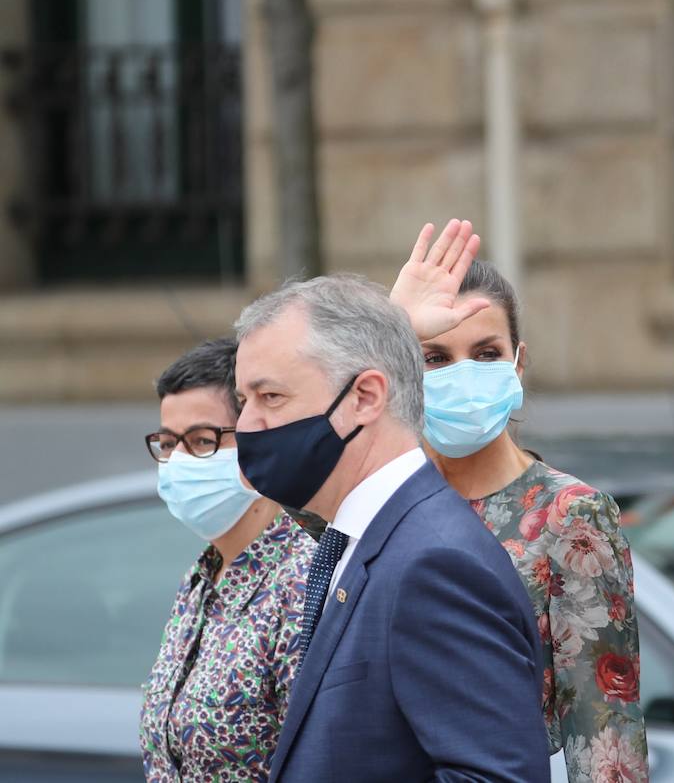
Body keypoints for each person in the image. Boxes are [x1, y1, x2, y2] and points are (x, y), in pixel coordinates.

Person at [232, 274, 549, 783]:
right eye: (243, 400)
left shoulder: (434, 564)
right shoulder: (359, 540)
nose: (246, 425)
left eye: (269, 397)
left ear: (365, 398)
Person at [389, 222, 650, 782]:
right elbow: (289, 478)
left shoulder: (569, 516)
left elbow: (604, 733)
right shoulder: (384, 501)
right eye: (434, 358)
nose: (463, 374)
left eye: (486, 354)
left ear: (518, 363)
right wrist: (384, 336)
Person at [139, 338, 313, 782]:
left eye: (200, 441)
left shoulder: (302, 583)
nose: (177, 462)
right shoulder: (200, 580)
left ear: (258, 436)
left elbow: (322, 758)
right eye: (167, 443)